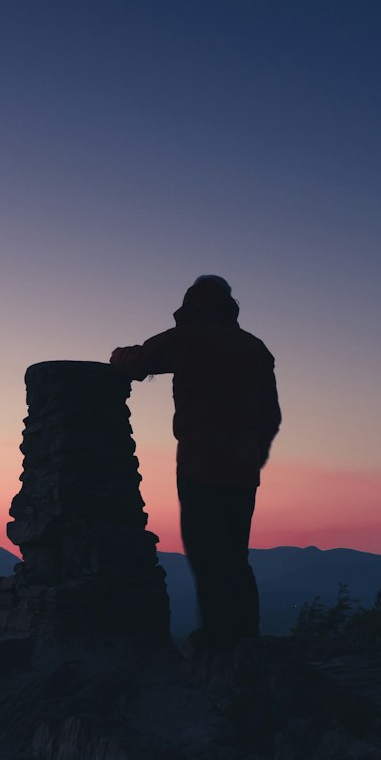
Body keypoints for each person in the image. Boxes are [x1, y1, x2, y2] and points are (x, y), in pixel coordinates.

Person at [110, 275, 281, 651]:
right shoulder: (254, 348)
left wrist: (119, 357)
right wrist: (257, 452)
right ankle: (244, 640)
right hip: (243, 463)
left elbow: (136, 362)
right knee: (235, 554)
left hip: (200, 459)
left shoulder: (186, 338)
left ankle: (218, 640)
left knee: (205, 552)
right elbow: (271, 415)